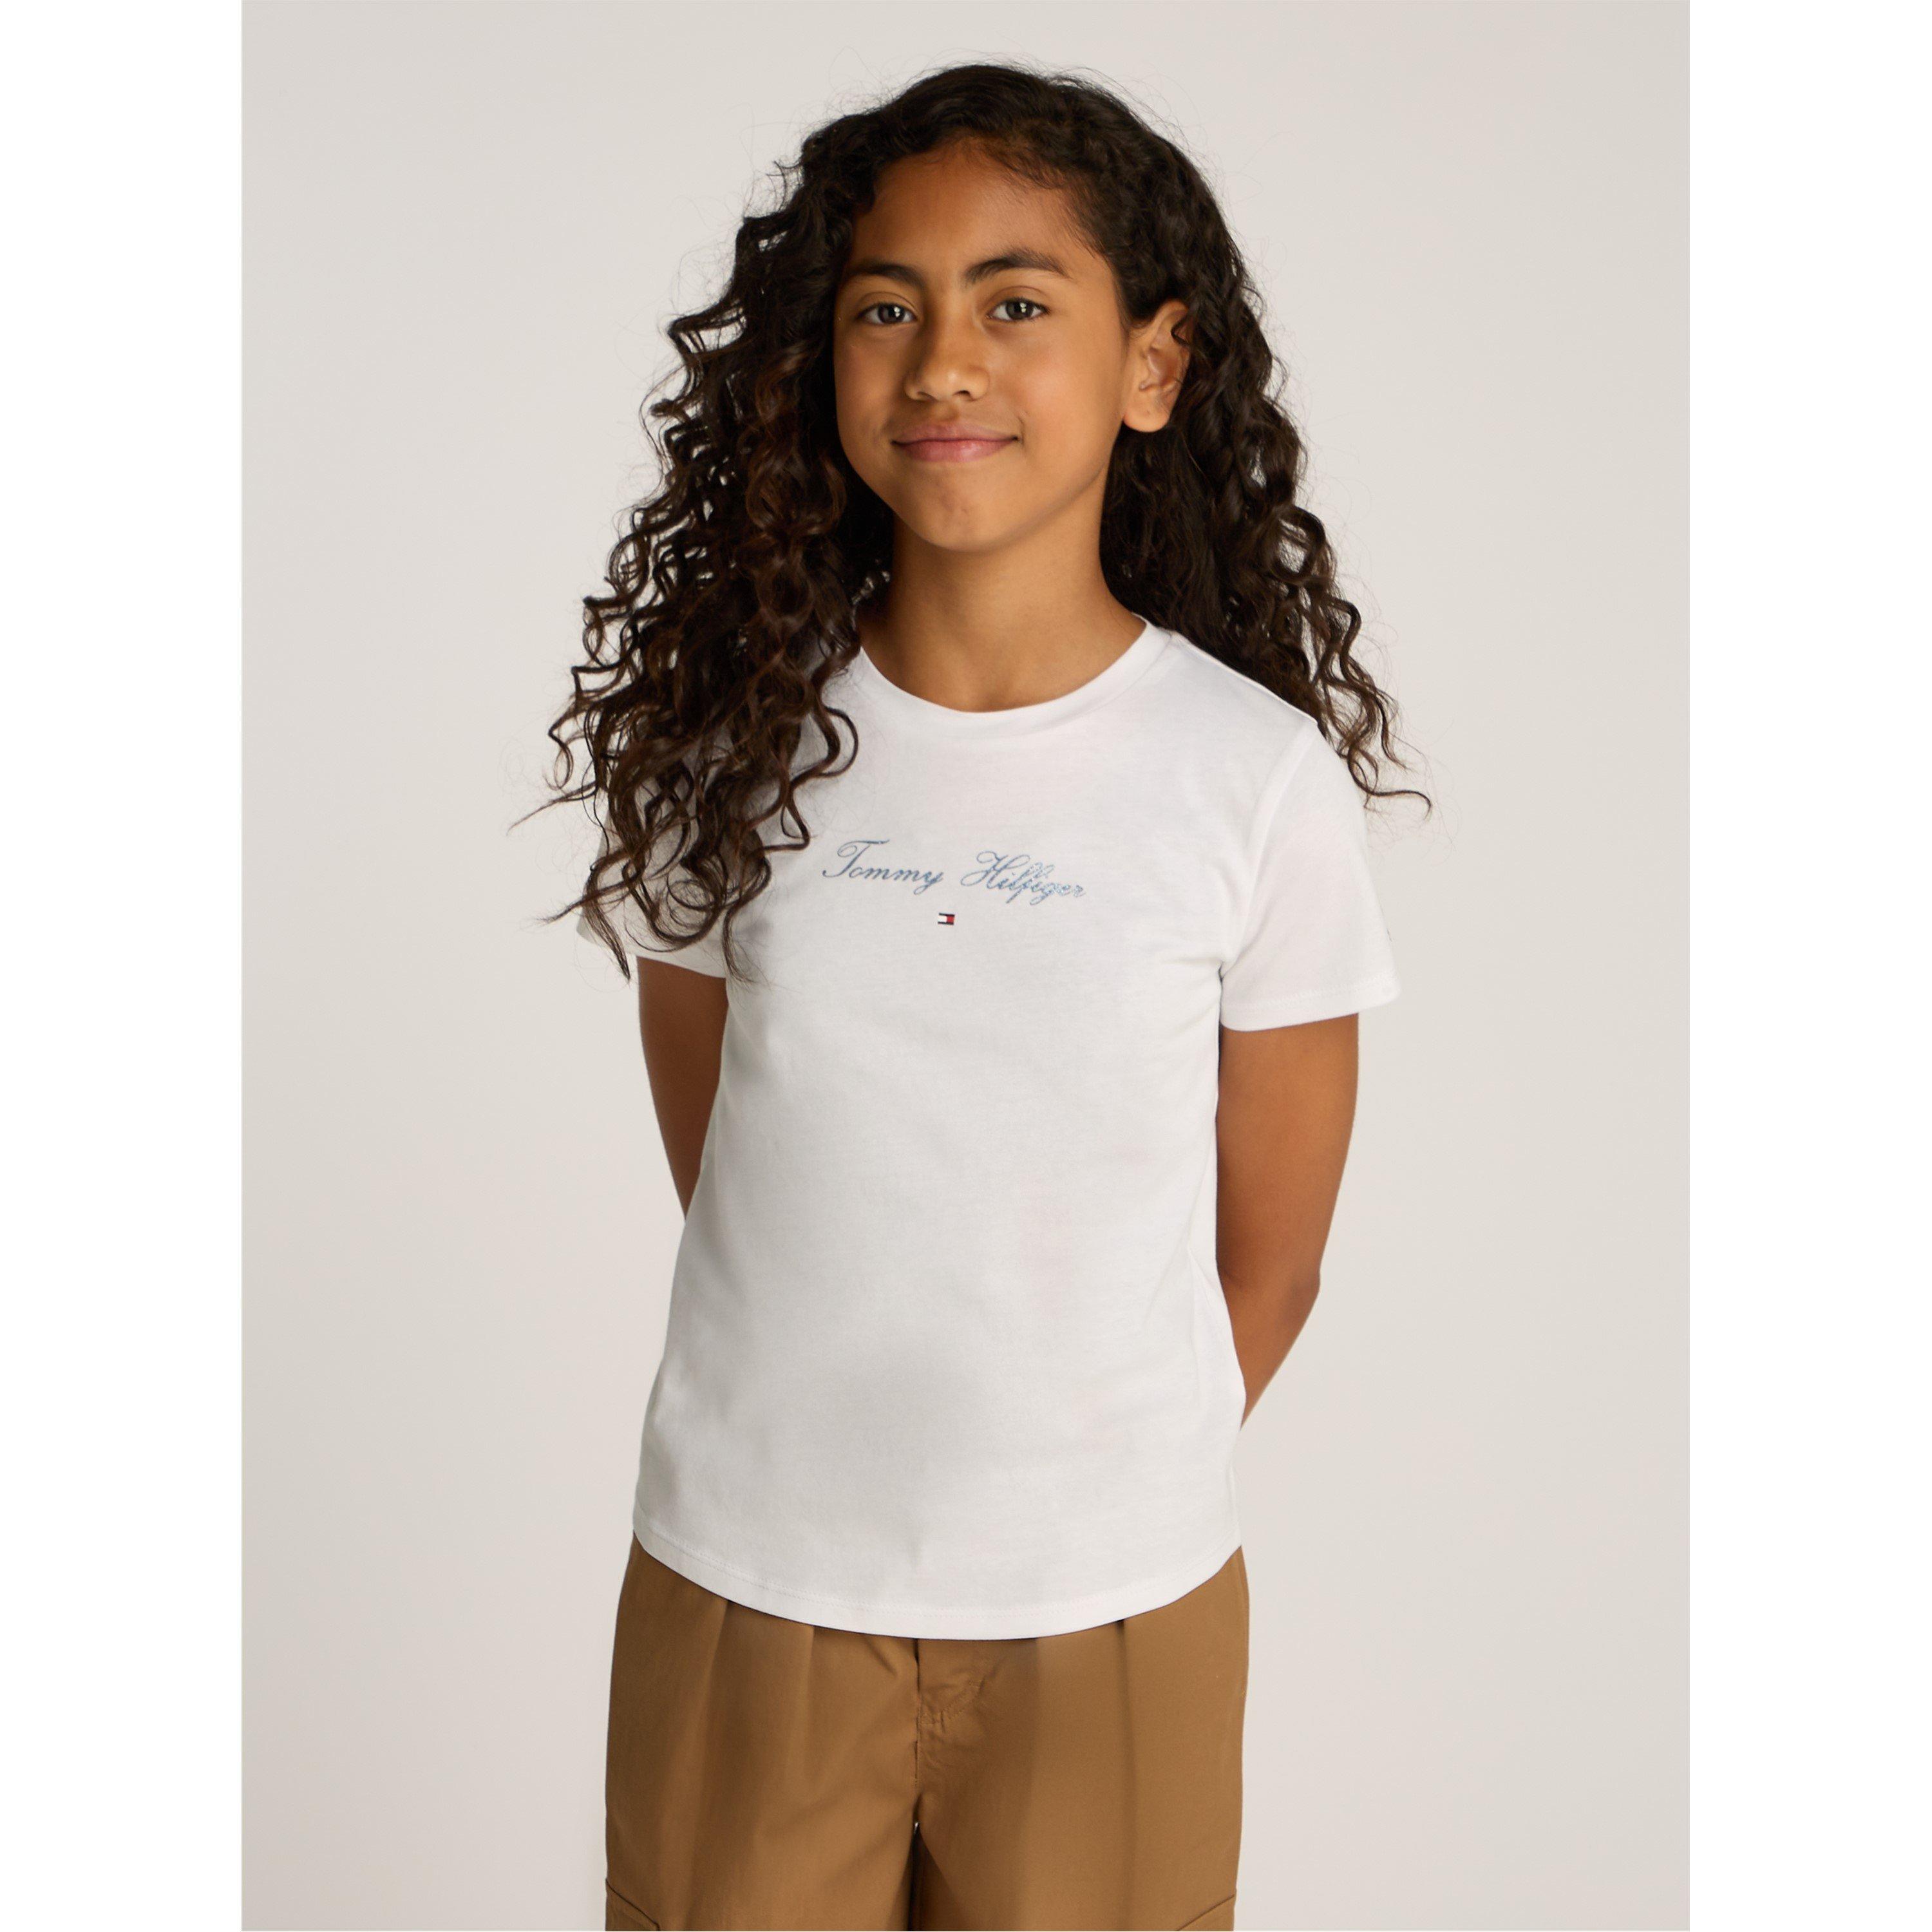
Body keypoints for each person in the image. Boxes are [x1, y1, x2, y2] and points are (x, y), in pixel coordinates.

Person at [545, 59, 1419, 1932]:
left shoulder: (1250, 780)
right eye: (887, 310)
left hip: (1111, 1613)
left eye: (1017, 305)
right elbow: (731, 1147)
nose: (944, 363)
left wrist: (1073, 1485)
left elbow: (1270, 1260)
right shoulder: (734, 752)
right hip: (750, 1584)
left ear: (1154, 366)